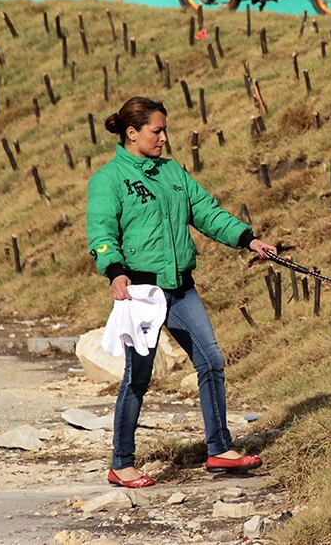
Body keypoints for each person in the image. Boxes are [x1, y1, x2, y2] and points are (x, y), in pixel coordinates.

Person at [87, 96, 277, 488]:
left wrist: (248, 239)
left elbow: (206, 212)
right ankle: (121, 464)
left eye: (164, 129)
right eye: (157, 131)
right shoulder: (108, 180)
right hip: (140, 293)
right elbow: (102, 233)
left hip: (181, 288)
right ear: (132, 133)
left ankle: (220, 450)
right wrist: (115, 272)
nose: (164, 137)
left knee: (211, 361)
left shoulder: (174, 172)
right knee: (137, 378)